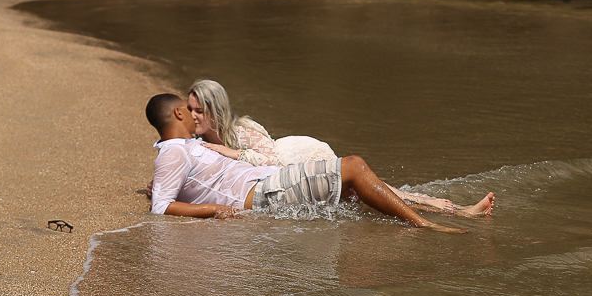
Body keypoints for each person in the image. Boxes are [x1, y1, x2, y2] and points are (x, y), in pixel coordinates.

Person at [146, 93, 466, 233]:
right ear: (177, 114)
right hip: (264, 192)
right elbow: (162, 205)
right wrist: (214, 209)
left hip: (271, 181)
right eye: (188, 111)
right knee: (354, 166)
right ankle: (427, 225)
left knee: (357, 191)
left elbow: (172, 188)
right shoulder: (174, 151)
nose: (192, 115)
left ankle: (439, 212)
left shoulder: (186, 146)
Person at [186, 79, 494, 218]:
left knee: (379, 194)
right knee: (376, 195)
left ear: (215, 110)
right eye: (190, 110)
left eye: (198, 110)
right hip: (296, 175)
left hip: (306, 158)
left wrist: (230, 153)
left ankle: (461, 211)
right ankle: (453, 210)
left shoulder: (242, 131)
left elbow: (273, 160)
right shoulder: (201, 142)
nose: (193, 117)